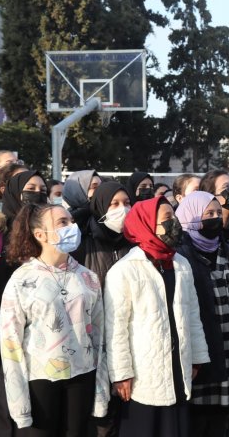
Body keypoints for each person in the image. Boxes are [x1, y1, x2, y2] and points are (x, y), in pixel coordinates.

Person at [0, 203, 109, 435]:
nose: (72, 227)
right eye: (62, 223)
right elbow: (10, 344)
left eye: (71, 221)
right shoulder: (22, 279)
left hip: (82, 374)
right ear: (40, 235)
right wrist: (19, 405)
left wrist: (101, 392)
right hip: (41, 378)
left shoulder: (87, 277)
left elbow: (99, 335)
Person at [104, 196, 209, 437]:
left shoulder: (181, 263)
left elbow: (192, 313)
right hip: (143, 372)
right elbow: (116, 327)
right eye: (166, 219)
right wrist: (121, 374)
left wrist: (197, 357)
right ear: (146, 224)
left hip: (178, 364)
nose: (174, 224)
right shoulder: (125, 270)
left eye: (174, 217)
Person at [0, 170, 48, 437]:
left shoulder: (48, 235)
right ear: (14, 191)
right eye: (31, 187)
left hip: (40, 333)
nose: (38, 193)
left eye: (42, 188)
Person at [175, 191, 229, 436]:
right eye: (208, 214)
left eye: (218, 213)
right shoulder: (180, 255)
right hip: (202, 354)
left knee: (224, 420)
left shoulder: (228, 251)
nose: (216, 218)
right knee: (198, 422)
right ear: (190, 216)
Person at [70, 181, 133, 437]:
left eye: (127, 203)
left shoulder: (135, 243)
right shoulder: (83, 244)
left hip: (127, 341)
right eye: (114, 204)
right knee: (98, 417)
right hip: (92, 343)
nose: (123, 210)